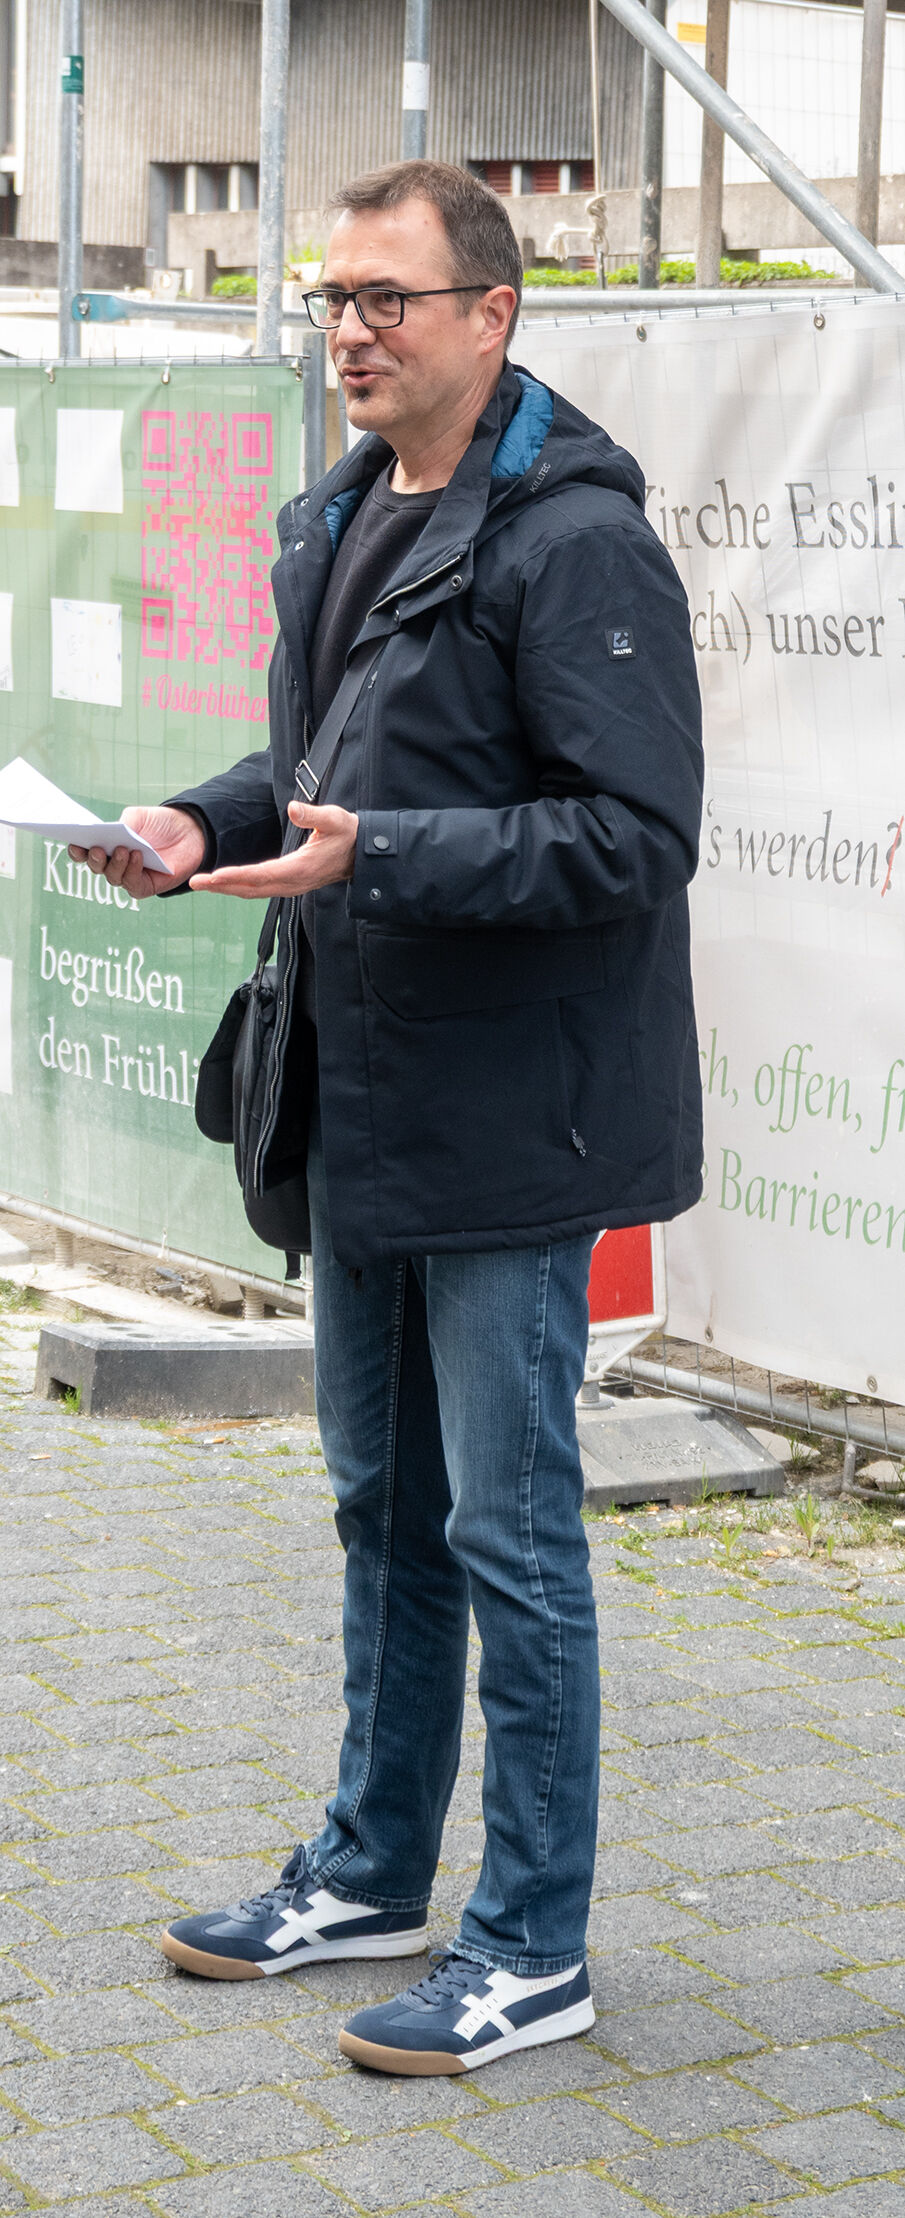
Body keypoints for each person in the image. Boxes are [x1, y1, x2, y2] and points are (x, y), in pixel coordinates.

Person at [72, 160, 703, 2076]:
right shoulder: (346, 512)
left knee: (510, 1534)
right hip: (358, 1099)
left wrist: (383, 856)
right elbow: (321, 763)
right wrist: (201, 820)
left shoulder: (574, 544)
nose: (346, 330)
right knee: (382, 1509)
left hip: (516, 1124)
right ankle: (367, 1871)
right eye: (330, 297)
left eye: (385, 299)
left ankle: (532, 1942)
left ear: (492, 315)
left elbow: (634, 836)